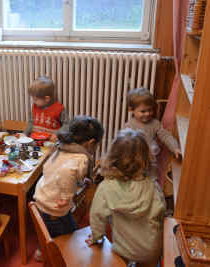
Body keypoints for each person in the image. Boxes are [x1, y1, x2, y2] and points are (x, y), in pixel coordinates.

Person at [86, 129, 166, 267]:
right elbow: (161, 212)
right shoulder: (153, 187)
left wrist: (96, 237)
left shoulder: (106, 188)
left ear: (112, 157)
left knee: (119, 263)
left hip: (123, 249)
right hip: (151, 250)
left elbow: (97, 216)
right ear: (147, 159)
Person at [33, 115, 104, 260]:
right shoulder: (82, 158)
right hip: (55, 206)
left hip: (42, 196)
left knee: (48, 228)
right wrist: (66, 197)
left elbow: (56, 169)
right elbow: (67, 173)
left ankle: (41, 249)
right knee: (70, 235)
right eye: (97, 145)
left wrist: (80, 183)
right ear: (91, 143)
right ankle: (59, 256)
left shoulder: (61, 146)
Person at [125, 88, 181, 179]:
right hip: (135, 161)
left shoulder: (155, 124)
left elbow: (165, 136)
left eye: (150, 110)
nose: (147, 114)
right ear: (131, 109)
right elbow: (124, 145)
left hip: (151, 162)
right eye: (143, 111)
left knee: (151, 181)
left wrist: (175, 147)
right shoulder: (129, 126)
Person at [25, 76, 69, 141]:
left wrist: (57, 134)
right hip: (35, 139)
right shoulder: (35, 106)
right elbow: (31, 122)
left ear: (46, 99)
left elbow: (67, 124)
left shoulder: (59, 108)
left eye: (35, 99)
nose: (33, 101)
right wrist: (25, 134)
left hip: (51, 141)